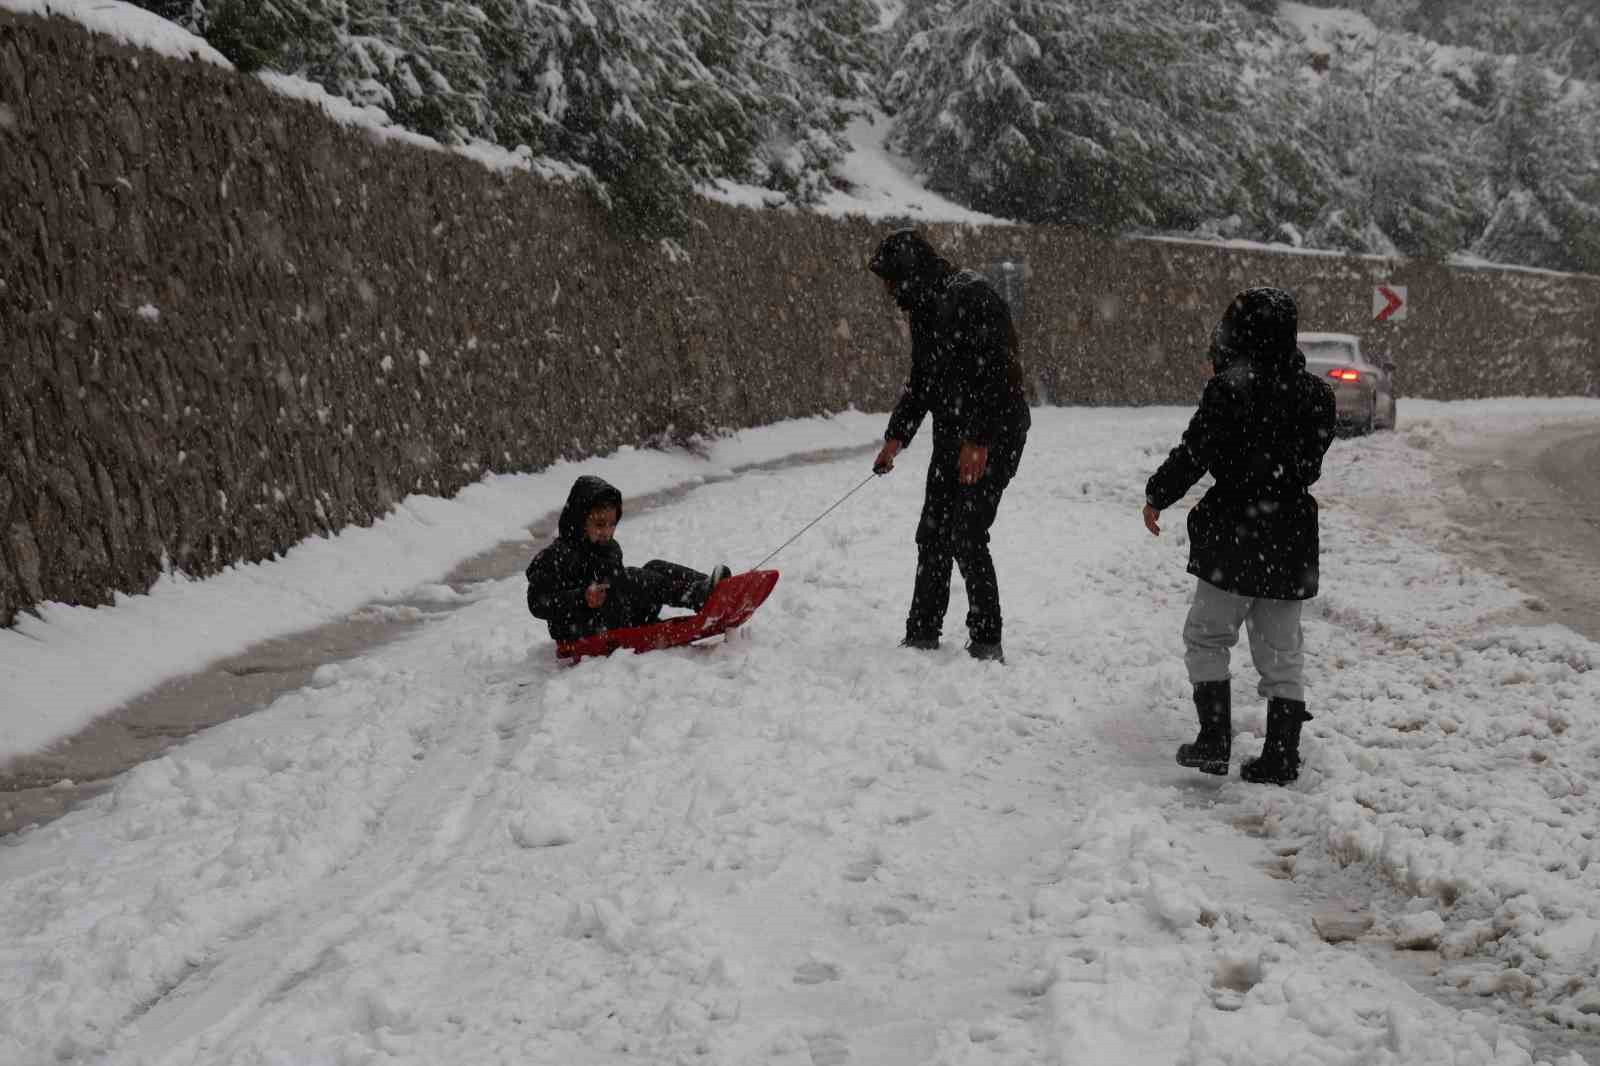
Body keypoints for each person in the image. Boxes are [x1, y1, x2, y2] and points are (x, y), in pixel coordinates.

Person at [1142, 287, 1336, 785]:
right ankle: (1281, 755)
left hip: (1233, 535)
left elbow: (1195, 451)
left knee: (1206, 636)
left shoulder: (1229, 389)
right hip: (1290, 539)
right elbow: (1307, 464)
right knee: (1282, 652)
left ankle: (1213, 740)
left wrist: (1157, 494)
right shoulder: (1318, 396)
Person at [868, 229, 1031, 662]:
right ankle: (922, 632)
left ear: (909, 273)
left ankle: (986, 641)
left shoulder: (974, 297)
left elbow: (999, 373)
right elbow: (922, 381)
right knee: (933, 532)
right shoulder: (924, 309)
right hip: (952, 434)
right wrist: (896, 437)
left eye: (890, 281)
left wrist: (979, 440)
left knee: (967, 532)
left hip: (996, 431)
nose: (888, 291)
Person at [526, 475, 730, 641]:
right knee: (627, 577)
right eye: (599, 524)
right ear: (579, 521)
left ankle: (709, 587)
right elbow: (537, 602)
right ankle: (698, 596)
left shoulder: (609, 549)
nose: (607, 532)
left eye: (612, 524)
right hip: (581, 628)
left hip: (616, 616)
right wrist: (582, 598)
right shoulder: (558, 554)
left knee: (653, 566)